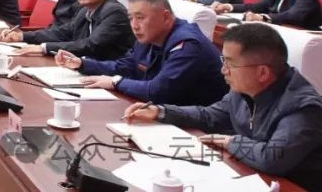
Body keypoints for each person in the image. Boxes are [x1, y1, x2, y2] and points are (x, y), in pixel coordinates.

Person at [123, 23, 322, 190]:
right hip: (252, 176)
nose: (223, 70)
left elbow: (272, 158)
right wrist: (161, 111)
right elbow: (209, 115)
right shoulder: (245, 88)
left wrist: (231, 142)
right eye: (223, 61)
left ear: (262, 72)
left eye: (230, 64)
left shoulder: (303, 107)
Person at [54, 0, 227, 106]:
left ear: (166, 17)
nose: (134, 25)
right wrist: (82, 64)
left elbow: (157, 91)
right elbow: (126, 66)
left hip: (199, 126)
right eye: (131, 18)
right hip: (166, 112)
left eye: (140, 18)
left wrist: (115, 82)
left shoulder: (188, 44)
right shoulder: (149, 36)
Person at [0, 0, 132, 60]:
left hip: (110, 74)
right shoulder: (84, 10)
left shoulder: (114, 12)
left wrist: (44, 48)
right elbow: (62, 32)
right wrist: (22, 36)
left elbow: (91, 45)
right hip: (84, 66)